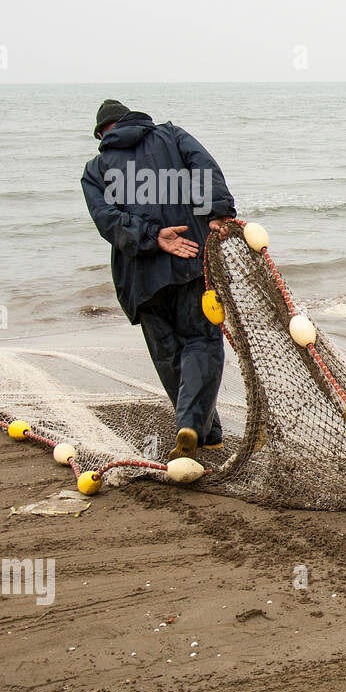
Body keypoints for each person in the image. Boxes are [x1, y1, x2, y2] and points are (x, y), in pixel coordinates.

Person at [80, 100, 237, 460]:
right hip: (191, 262)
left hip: (139, 279)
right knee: (201, 341)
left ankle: (204, 434)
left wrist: (151, 236)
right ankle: (197, 427)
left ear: (103, 133)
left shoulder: (95, 169)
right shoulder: (171, 135)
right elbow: (203, 167)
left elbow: (108, 220)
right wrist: (218, 212)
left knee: (168, 354)